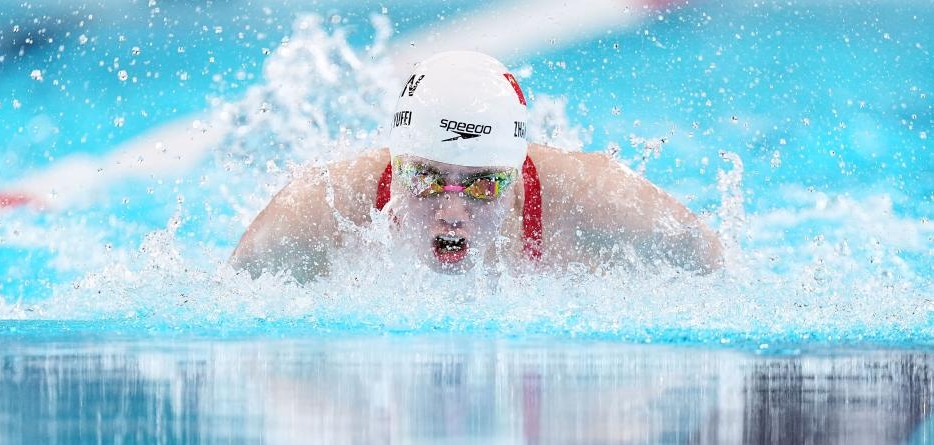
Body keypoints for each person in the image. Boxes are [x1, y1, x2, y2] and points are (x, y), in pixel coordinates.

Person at [230, 50, 723, 282]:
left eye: (483, 185)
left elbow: (715, 271)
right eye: (424, 178)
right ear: (397, 165)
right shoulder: (318, 211)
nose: (452, 210)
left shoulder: (596, 198)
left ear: (514, 178)